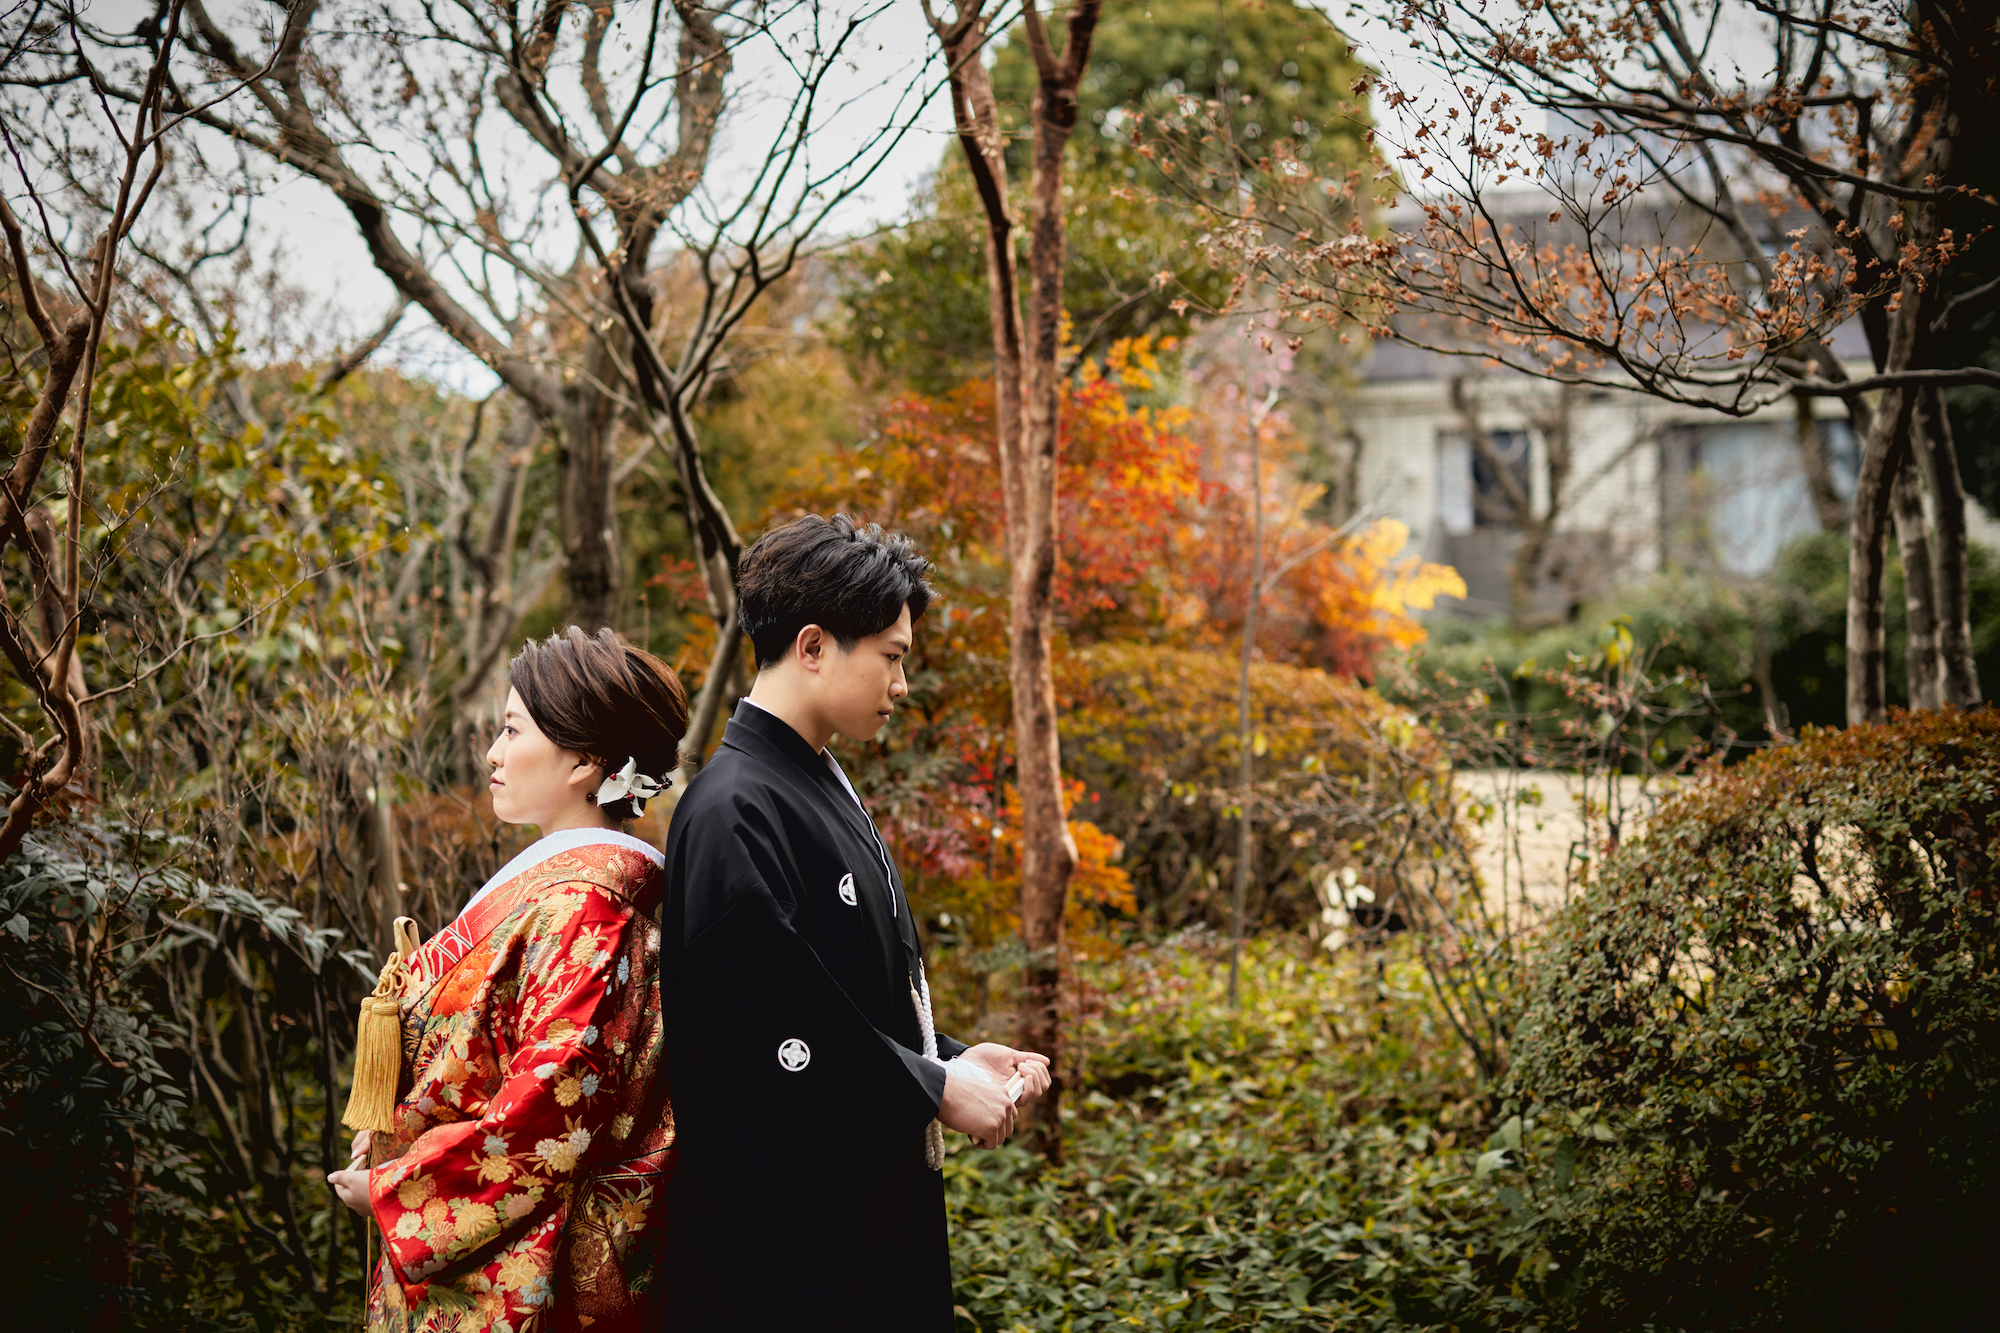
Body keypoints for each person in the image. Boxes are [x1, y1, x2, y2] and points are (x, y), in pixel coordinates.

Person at [660, 513, 1051, 1332]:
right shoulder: (734, 806)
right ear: (812, 646)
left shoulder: (811, 780)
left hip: (852, 1233)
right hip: (784, 1261)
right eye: (892, 657)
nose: (902, 686)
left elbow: (842, 997)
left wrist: (947, 1053)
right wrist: (937, 1087)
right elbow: (768, 1024)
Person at [327, 627, 687, 1332]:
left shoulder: (591, 903)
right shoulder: (573, 887)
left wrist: (400, 1189)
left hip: (538, 1259)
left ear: (586, 759)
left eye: (512, 728)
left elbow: (552, 1100)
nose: (492, 751)